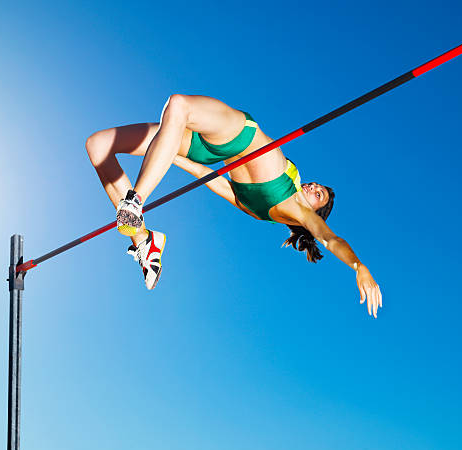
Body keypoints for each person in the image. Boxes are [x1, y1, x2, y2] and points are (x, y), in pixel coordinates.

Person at [86, 95, 382, 317]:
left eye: (319, 196)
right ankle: (144, 239)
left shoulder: (280, 210)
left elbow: (331, 240)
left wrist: (359, 266)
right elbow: (205, 171)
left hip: (206, 148)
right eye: (317, 185)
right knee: (99, 145)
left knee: (176, 105)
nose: (315, 188)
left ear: (314, 213)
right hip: (235, 131)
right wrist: (165, 150)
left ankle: (136, 208)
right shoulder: (288, 185)